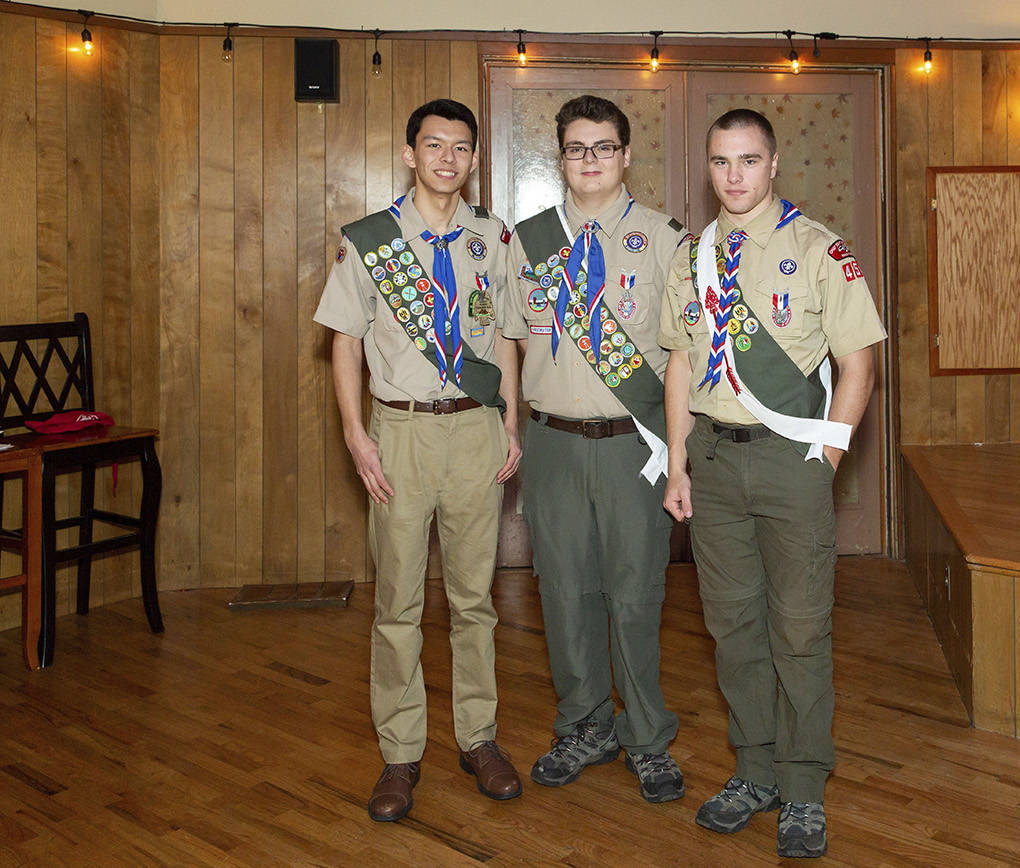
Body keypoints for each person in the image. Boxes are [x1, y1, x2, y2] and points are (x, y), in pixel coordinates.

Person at [659, 108, 886, 859]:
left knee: (799, 630)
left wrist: (825, 459)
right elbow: (683, 363)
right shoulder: (693, 256)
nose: (734, 176)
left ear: (774, 162)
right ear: (708, 167)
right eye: (721, 162)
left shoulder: (820, 250)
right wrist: (679, 462)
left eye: (748, 161)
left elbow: (859, 366)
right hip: (715, 465)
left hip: (791, 465)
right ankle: (753, 770)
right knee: (733, 629)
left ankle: (802, 785)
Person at [314, 98, 524, 822]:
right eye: (434, 146)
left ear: (472, 157)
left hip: (474, 432)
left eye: (461, 148)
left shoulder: (492, 237)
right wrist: (354, 432)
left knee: (474, 602)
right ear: (410, 153)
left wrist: (511, 423)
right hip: (398, 434)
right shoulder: (370, 239)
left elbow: (506, 340)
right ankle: (400, 753)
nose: (447, 159)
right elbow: (343, 339)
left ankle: (478, 739)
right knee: (398, 604)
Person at [500, 95, 687, 804]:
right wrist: (512, 421)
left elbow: (681, 355)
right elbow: (511, 340)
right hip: (552, 443)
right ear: (561, 157)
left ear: (626, 154)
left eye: (603, 147)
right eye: (577, 148)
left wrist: (679, 449)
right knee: (566, 592)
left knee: (637, 596)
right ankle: (584, 724)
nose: (590, 160)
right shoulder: (530, 241)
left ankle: (645, 734)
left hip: (631, 446)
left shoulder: (665, 240)